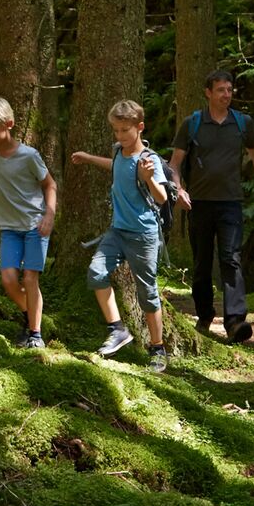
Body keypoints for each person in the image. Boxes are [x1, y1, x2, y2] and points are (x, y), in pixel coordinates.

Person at [169, 70, 254, 344]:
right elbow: (174, 165)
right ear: (208, 92)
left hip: (231, 203)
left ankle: (235, 321)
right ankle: (205, 315)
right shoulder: (192, 123)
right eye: (221, 90)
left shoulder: (243, 123)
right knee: (202, 263)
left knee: (231, 259)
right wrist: (179, 190)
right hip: (199, 204)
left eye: (229, 90)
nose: (226, 95)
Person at [72, 100, 169, 373]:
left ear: (140, 127)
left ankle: (158, 348)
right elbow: (116, 168)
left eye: (124, 130)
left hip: (143, 235)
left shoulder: (148, 160)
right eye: (115, 130)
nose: (119, 136)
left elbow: (161, 198)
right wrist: (89, 158)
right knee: (96, 272)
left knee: (147, 293)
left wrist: (149, 178)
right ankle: (118, 329)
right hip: (117, 231)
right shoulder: (118, 152)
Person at [0, 98, 56, 348]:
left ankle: (36, 333)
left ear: (8, 124)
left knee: (30, 279)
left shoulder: (28, 156)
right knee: (9, 280)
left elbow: (50, 184)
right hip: (8, 227)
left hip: (35, 225)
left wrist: (49, 214)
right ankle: (31, 314)